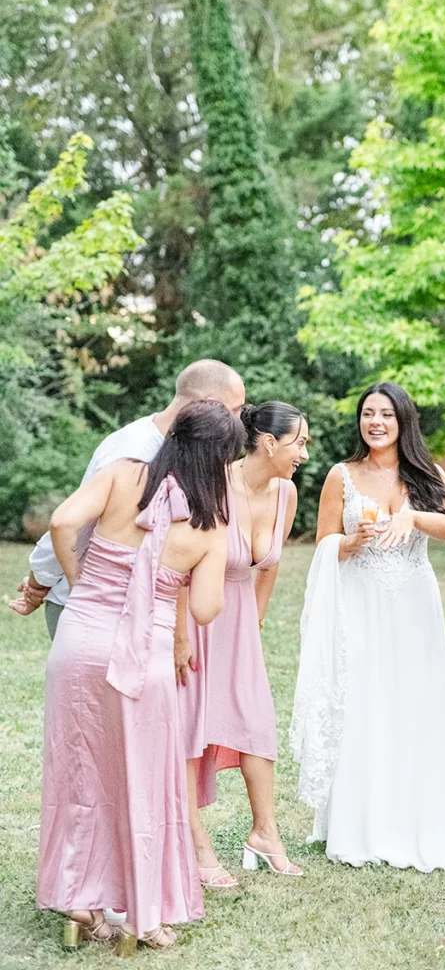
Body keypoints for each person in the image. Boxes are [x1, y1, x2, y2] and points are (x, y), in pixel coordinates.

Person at [36, 401, 246, 949]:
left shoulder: (124, 473)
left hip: (79, 641)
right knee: (142, 782)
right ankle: (141, 916)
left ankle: (79, 900)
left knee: (79, 772)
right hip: (143, 658)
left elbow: (61, 521)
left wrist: (86, 583)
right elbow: (204, 610)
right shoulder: (209, 523)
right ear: (222, 461)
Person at [291, 382, 445, 873]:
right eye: (368, 413)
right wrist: (353, 540)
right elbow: (325, 544)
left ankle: (415, 818)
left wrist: (413, 518)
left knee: (414, 701)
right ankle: (360, 822)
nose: (376, 422)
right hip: (360, 602)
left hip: (413, 602)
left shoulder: (425, 472)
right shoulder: (341, 476)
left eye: (386, 414)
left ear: (402, 420)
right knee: (364, 700)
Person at [11, 360, 245, 637]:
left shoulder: (189, 454)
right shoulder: (133, 452)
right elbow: (72, 524)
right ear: (210, 405)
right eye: (235, 411)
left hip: (145, 613)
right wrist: (46, 581)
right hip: (92, 608)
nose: (238, 422)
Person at [177, 401, 310, 885]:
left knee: (256, 722)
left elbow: (268, 567)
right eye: (300, 442)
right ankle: (194, 841)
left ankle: (266, 832)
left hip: (241, 623)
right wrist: (177, 636)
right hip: (195, 616)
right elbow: (179, 563)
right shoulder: (213, 481)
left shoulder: (287, 493)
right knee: (191, 727)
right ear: (270, 442)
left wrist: (254, 623)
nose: (305, 454)